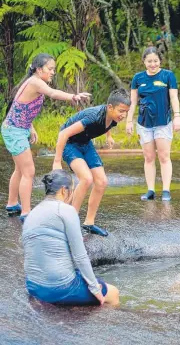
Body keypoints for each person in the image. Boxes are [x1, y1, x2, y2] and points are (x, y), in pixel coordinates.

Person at [1, 53, 90, 222]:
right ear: (38, 69)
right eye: (50, 69)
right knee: (29, 172)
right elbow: (53, 93)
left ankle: (12, 204)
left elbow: (22, 106)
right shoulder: (35, 82)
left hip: (17, 128)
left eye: (54, 69)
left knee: (20, 169)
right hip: (14, 131)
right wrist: (73, 96)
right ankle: (26, 213)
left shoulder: (34, 82)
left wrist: (30, 127)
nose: (53, 72)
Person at [22, 170, 120, 306]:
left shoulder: (32, 214)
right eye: (72, 190)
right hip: (58, 288)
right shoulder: (65, 210)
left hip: (33, 286)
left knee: (80, 274)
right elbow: (79, 256)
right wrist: (95, 288)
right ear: (63, 190)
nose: (72, 194)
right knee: (113, 293)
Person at [52, 89, 131, 237]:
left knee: (101, 182)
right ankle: (71, 221)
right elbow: (64, 134)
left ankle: (89, 223)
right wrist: (56, 161)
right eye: (121, 111)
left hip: (85, 143)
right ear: (110, 107)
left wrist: (109, 137)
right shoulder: (93, 117)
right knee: (86, 179)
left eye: (126, 112)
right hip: (70, 143)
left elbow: (108, 124)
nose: (124, 115)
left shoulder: (114, 117)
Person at [127, 47, 180, 202]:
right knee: (149, 157)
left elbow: (174, 98)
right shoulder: (138, 78)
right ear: (144, 61)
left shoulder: (168, 76)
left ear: (160, 61)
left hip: (163, 122)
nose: (153, 64)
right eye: (149, 61)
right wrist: (129, 121)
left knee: (164, 156)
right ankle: (150, 190)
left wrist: (177, 117)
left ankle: (166, 190)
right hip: (144, 123)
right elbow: (132, 102)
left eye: (155, 61)